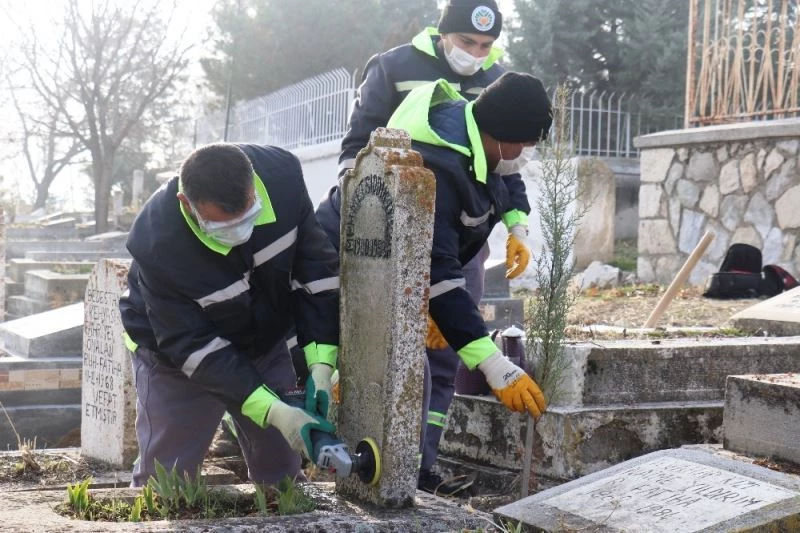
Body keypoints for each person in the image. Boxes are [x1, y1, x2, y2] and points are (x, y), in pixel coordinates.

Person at [315, 0, 533, 496]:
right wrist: (364, 213)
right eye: (466, 42)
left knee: (449, 343)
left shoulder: (495, 79)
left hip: (459, 239)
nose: (475, 55)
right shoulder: (394, 67)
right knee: (386, 346)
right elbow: (356, 147)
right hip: (390, 235)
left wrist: (516, 224)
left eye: (485, 46)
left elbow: (505, 162)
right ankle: (369, 447)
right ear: (442, 33)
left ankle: (421, 462)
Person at [119, 143, 339, 487]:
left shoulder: (283, 178)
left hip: (264, 340)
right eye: (224, 227)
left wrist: (321, 366)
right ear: (187, 205)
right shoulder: (157, 245)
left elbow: (316, 272)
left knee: (283, 470)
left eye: (249, 216)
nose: (241, 234)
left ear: (254, 183)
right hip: (179, 358)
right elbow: (192, 347)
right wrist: (275, 411)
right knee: (167, 480)